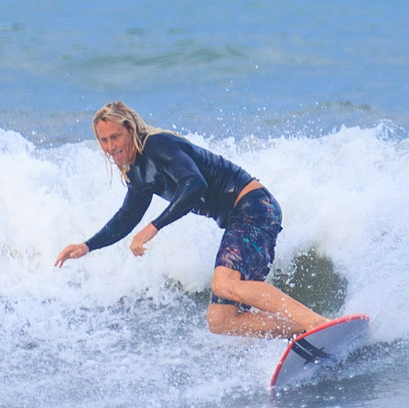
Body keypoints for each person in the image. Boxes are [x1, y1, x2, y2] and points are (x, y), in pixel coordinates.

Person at [53, 103, 330, 338]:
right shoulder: (138, 172)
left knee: (223, 283)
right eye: (104, 140)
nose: (111, 147)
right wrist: (87, 246)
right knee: (220, 320)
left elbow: (194, 183)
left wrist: (153, 227)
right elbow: (127, 217)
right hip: (239, 218)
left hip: (253, 207)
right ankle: (304, 330)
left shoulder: (158, 146)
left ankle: (314, 323)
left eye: (115, 137)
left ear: (131, 129)